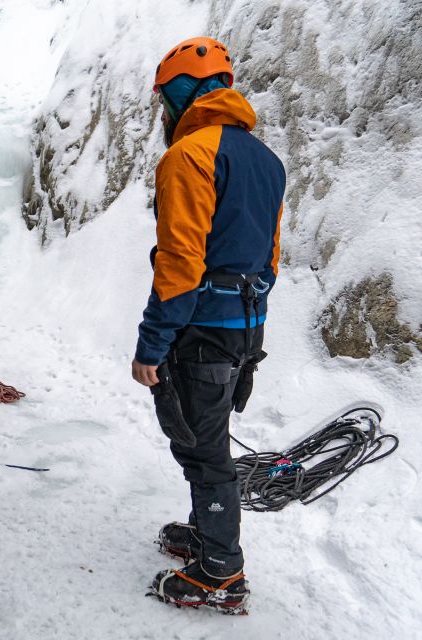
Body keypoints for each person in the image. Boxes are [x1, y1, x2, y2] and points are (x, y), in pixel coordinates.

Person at [132, 37, 285, 613]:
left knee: (202, 449)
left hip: (201, 330)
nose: (163, 112)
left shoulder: (189, 156)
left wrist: (152, 343)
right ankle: (206, 534)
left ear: (180, 94)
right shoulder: (267, 160)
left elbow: (179, 263)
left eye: (165, 99)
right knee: (207, 437)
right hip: (248, 328)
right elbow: (270, 259)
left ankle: (222, 569)